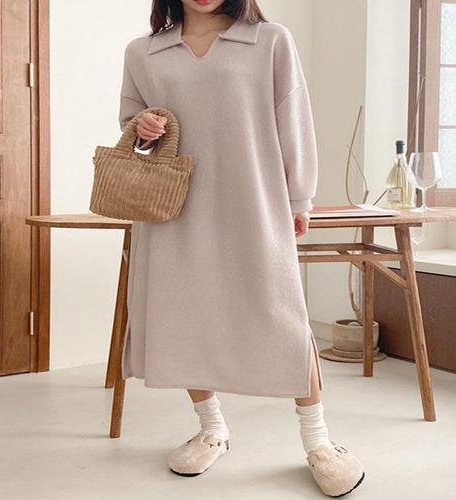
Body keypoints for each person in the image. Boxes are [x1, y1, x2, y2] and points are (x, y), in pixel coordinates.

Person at [117, 0, 365, 496]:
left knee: (280, 313)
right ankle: (211, 428)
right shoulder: (143, 52)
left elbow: (293, 117)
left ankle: (319, 440)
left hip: (254, 197)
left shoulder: (269, 40)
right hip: (175, 206)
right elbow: (131, 126)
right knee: (185, 314)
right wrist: (142, 128)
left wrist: (300, 197)